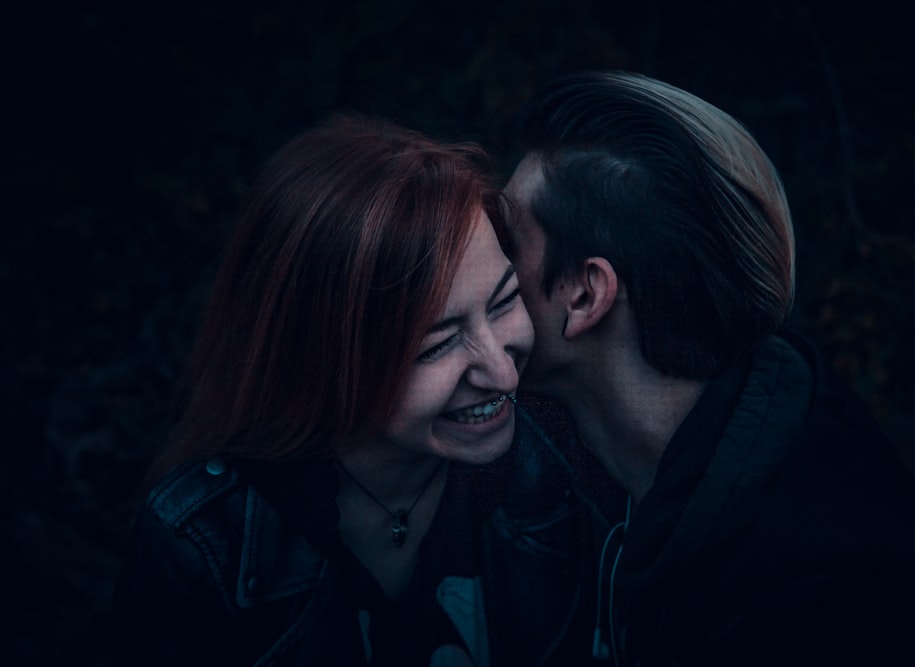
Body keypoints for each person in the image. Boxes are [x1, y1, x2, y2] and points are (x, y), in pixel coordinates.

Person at [502, 70, 915, 666]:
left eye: (507, 240)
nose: (485, 261)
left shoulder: (820, 612)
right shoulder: (563, 457)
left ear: (586, 295)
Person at [112, 114, 594, 666]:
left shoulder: (560, 467)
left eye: (505, 301)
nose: (504, 375)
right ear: (322, 361)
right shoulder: (206, 545)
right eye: (435, 346)